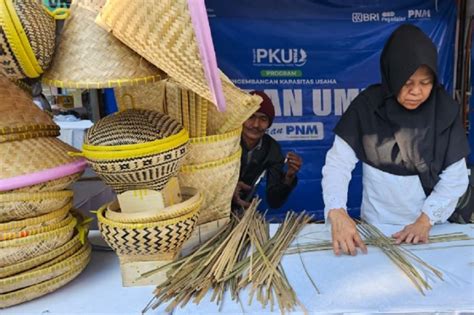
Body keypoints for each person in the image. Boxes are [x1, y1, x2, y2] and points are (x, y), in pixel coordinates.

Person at [322, 24, 470, 256]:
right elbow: (338, 164)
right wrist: (337, 210)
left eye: (425, 82)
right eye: (407, 82)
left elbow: (455, 178)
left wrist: (425, 220)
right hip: (376, 228)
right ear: (392, 75)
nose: (416, 92)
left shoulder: (445, 112)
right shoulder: (368, 107)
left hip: (430, 230)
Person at [232, 90, 303, 209]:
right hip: (212, 209)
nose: (256, 125)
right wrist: (229, 190)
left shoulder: (272, 149)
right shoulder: (225, 142)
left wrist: (288, 178)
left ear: (269, 124)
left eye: (263, 119)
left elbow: (274, 200)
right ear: (241, 118)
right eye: (251, 117)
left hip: (242, 211)